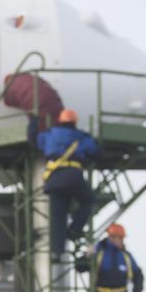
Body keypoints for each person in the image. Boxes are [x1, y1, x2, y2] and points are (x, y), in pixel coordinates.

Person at [31, 108, 100, 258]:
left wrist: (33, 123)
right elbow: (95, 151)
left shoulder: (49, 135)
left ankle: (57, 252)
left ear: (60, 121)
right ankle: (74, 231)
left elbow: (34, 140)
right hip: (74, 177)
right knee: (88, 202)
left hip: (55, 179)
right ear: (74, 122)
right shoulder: (81, 137)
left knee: (58, 216)